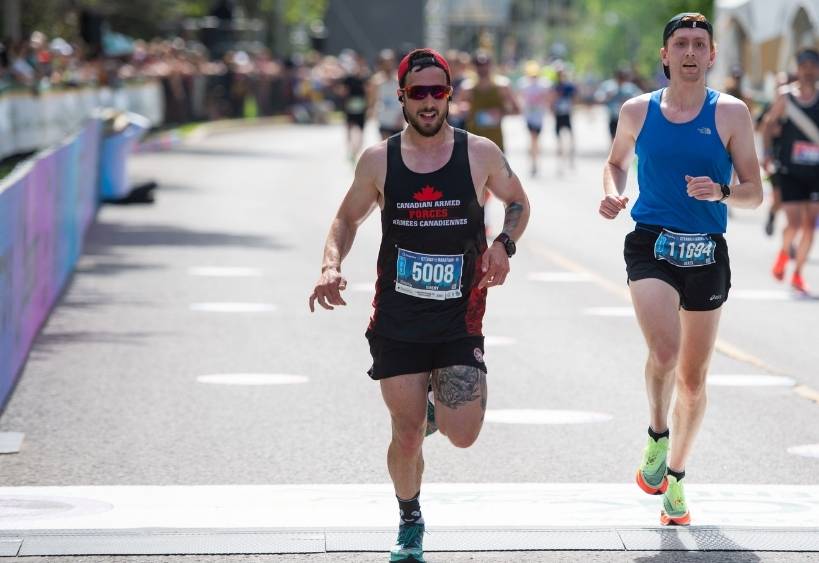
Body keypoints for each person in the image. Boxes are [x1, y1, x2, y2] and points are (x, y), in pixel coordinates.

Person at [310, 48, 529, 563]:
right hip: (398, 318)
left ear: (449, 94)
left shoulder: (479, 154)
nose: (429, 102)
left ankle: (436, 411)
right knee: (407, 435)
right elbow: (346, 219)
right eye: (418, 93)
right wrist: (330, 266)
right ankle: (410, 518)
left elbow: (518, 201)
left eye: (438, 91)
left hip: (459, 316)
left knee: (463, 434)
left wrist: (504, 244)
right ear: (401, 97)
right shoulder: (378, 160)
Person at [599, 12, 762, 526]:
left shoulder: (731, 113)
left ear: (712, 55)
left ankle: (676, 477)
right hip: (652, 242)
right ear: (665, 55)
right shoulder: (637, 110)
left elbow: (755, 192)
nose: (690, 52)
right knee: (665, 351)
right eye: (681, 44)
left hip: (707, 250)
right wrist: (613, 193)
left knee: (692, 381)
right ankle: (656, 433)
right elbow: (615, 162)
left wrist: (722, 192)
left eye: (699, 44)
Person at [762, 48, 819, 294]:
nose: (808, 71)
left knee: (810, 225)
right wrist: (767, 153)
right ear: (798, 69)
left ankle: (798, 274)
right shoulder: (786, 98)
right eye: (804, 66)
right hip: (790, 170)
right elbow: (768, 125)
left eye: (813, 67)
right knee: (794, 223)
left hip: (815, 172)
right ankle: (784, 253)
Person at [458, 50, 519, 153]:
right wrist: (462, 110)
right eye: (478, 65)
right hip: (473, 144)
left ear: (491, 65)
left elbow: (517, 110)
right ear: (473, 67)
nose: (482, 68)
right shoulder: (467, 88)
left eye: (485, 64)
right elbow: (456, 110)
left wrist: (501, 113)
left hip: (495, 144)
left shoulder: (502, 86)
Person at [517, 60, 551, 176]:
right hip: (529, 117)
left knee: (536, 140)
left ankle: (535, 161)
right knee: (532, 138)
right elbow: (520, 97)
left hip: (539, 117)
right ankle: (533, 163)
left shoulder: (544, 84)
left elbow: (547, 98)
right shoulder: (523, 84)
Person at [595, 68, 643, 140]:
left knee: (627, 138)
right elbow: (599, 97)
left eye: (622, 77)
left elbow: (640, 97)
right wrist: (607, 96)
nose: (620, 80)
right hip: (614, 117)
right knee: (613, 138)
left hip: (627, 117)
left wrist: (629, 100)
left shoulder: (630, 87)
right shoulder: (608, 86)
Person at [369, 49, 405, 140]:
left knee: (397, 145)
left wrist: (403, 116)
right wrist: (372, 112)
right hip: (383, 118)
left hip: (397, 119)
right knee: (385, 144)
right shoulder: (376, 81)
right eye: (385, 62)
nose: (388, 65)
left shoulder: (399, 79)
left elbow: (405, 99)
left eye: (390, 62)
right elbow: (372, 100)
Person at [549, 63, 577, 172]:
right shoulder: (554, 86)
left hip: (566, 113)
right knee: (559, 138)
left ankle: (571, 158)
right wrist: (552, 108)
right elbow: (551, 99)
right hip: (558, 114)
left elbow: (574, 97)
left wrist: (572, 107)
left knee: (570, 136)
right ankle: (561, 160)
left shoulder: (569, 86)